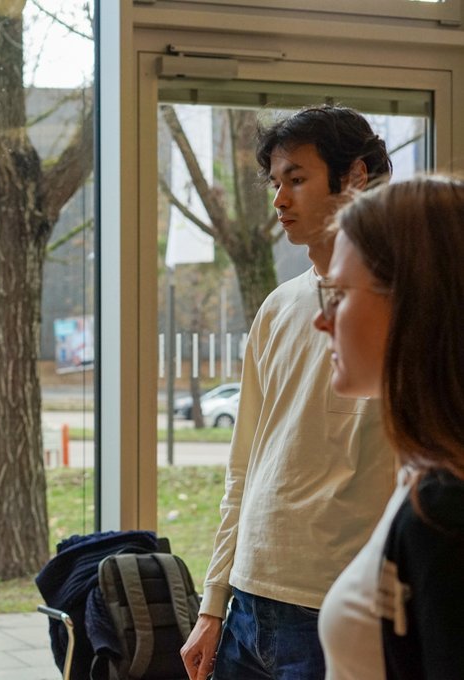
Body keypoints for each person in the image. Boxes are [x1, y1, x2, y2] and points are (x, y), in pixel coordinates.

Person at [180, 105, 397, 680]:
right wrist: (213, 603)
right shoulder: (278, 308)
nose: (279, 200)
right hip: (249, 602)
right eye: (276, 183)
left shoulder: (410, 306)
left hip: (339, 605)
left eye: (296, 179)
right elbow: (244, 464)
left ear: (354, 177)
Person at [314, 176, 464, 679]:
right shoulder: (428, 474)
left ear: (414, 304)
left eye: (338, 294)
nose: (322, 320)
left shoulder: (446, 509)